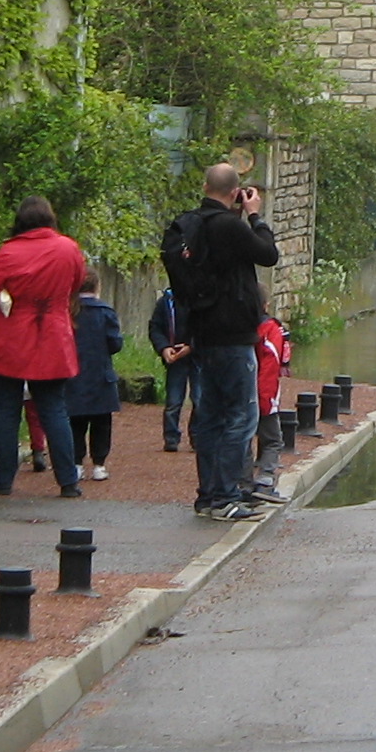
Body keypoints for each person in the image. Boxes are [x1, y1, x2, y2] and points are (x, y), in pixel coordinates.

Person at [173, 162, 280, 522]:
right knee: (240, 416)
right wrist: (255, 216)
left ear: (204, 186)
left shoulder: (192, 226)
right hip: (233, 333)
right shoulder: (230, 226)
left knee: (209, 417)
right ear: (236, 192)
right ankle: (226, 495)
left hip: (201, 332)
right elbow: (268, 254)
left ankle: (207, 495)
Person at [0, 196, 87, 499]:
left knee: (6, 411)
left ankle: (3, 481)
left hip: (11, 336)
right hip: (52, 333)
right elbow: (76, 283)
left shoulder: (8, 252)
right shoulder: (68, 248)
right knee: (54, 410)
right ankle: (68, 482)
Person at [64, 267, 123, 482]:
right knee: (101, 423)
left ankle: (77, 463)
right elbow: (115, 343)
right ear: (97, 286)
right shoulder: (105, 311)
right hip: (101, 375)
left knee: (75, 423)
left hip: (74, 374)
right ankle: (99, 464)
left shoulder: (68, 311)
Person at [242, 297, 290, 505]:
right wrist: (267, 399)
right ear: (266, 304)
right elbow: (270, 365)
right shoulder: (270, 329)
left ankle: (243, 484)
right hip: (262, 395)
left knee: (242, 438)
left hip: (240, 392)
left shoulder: (239, 325)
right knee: (273, 440)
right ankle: (264, 481)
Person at [148, 286, 196, 452]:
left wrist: (192, 345)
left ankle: (197, 437)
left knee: (200, 398)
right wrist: (164, 348)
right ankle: (171, 438)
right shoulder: (165, 302)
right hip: (175, 356)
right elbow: (155, 327)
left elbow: (208, 327)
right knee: (173, 400)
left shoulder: (202, 298)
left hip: (198, 356)